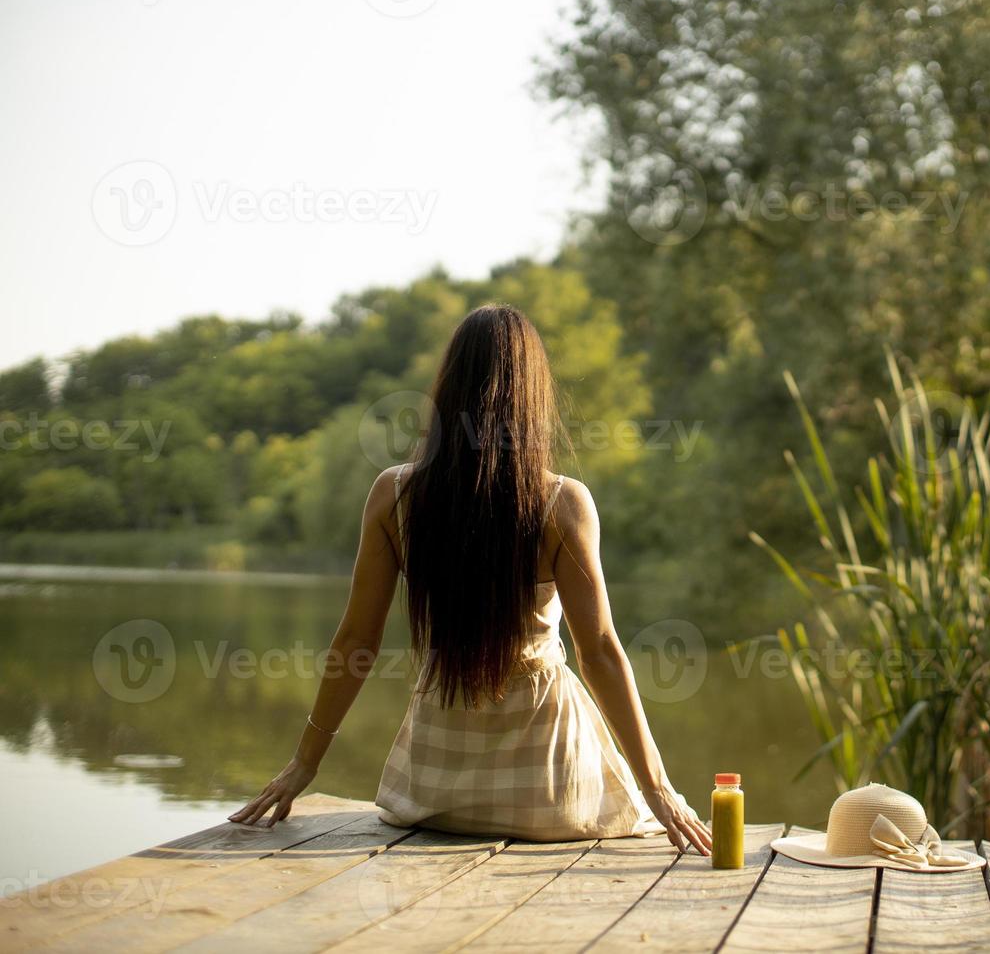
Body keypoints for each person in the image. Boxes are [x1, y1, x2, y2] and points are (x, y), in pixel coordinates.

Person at [230, 305, 712, 856]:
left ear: (448, 387)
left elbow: (356, 643)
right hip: (550, 797)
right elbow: (598, 650)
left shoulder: (396, 495)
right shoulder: (562, 503)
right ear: (532, 396)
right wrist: (659, 789)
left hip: (433, 795)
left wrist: (304, 762)